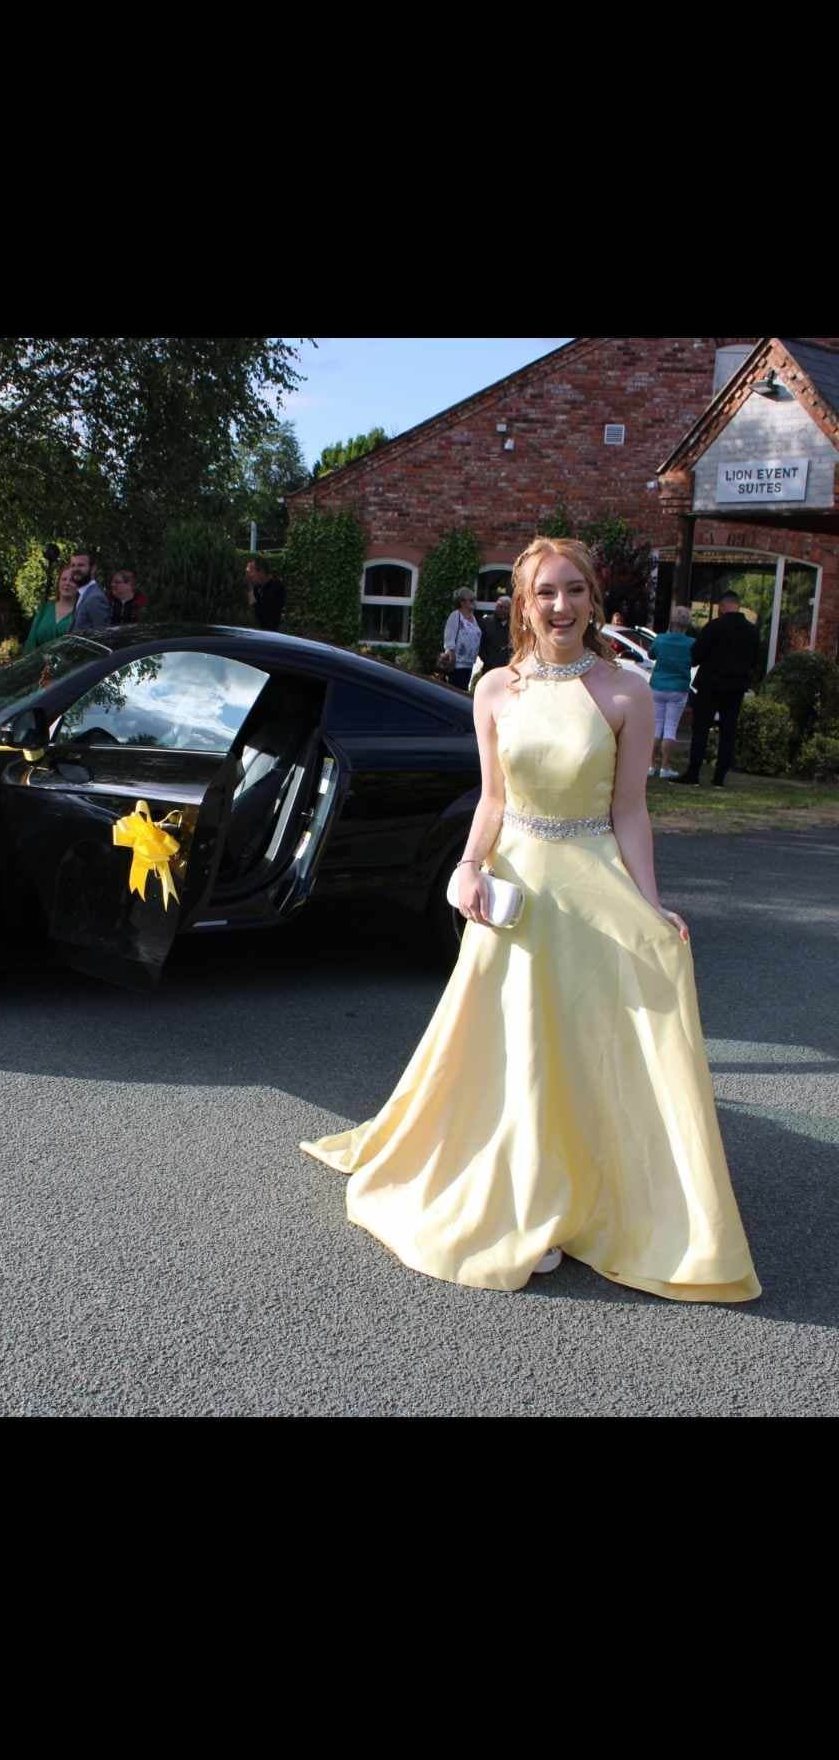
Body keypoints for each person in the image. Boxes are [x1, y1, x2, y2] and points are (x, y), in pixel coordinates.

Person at [301, 534, 760, 1305]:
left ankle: (578, 1196)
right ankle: (523, 1197)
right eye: (545, 591)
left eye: (575, 590)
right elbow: (492, 799)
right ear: (522, 603)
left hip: (590, 882)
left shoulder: (625, 692)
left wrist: (647, 902)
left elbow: (631, 812)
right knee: (515, 1045)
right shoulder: (494, 689)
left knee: (580, 1044)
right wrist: (468, 866)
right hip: (517, 883)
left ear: (594, 599)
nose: (561, 605)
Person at [678, 590, 760, 789]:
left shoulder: (714, 627)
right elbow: (756, 660)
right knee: (728, 731)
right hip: (736, 686)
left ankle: (693, 773)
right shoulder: (751, 631)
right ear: (737, 605)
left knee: (701, 729)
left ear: (722, 607)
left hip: (710, 684)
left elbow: (696, 655)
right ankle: (719, 778)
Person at [648, 603, 695, 779]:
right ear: (687, 623)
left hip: (658, 685)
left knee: (656, 726)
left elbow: (651, 655)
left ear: (672, 621)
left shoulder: (660, 639)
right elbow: (694, 661)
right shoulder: (691, 643)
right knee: (670, 728)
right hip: (679, 688)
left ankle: (651, 765)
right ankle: (666, 766)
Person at [24, 563, 80, 651]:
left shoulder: (81, 612)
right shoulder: (45, 608)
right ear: (58, 583)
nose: (67, 583)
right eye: (64, 579)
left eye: (72, 580)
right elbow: (31, 641)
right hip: (37, 662)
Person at [441, 587, 480, 689]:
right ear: (462, 602)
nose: (473, 602)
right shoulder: (455, 616)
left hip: (469, 664)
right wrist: (452, 656)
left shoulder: (473, 617)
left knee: (463, 689)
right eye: (471, 600)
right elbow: (449, 638)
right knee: (456, 690)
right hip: (457, 664)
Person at [69, 550, 113, 631]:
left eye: (81, 565)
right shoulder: (81, 594)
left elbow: (102, 634)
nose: (75, 569)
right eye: (73, 565)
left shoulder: (95, 598)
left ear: (93, 569)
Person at [246, 557, 285, 631]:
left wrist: (249, 589)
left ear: (261, 572)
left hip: (270, 634)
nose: (250, 576)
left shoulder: (277, 587)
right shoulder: (257, 587)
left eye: (251, 571)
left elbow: (260, 612)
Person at [476, 594, 512, 675]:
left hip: (508, 669)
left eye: (505, 608)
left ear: (510, 610)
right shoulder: (485, 622)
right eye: (500, 607)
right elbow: (479, 645)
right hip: (489, 668)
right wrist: (487, 659)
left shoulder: (514, 626)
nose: (502, 610)